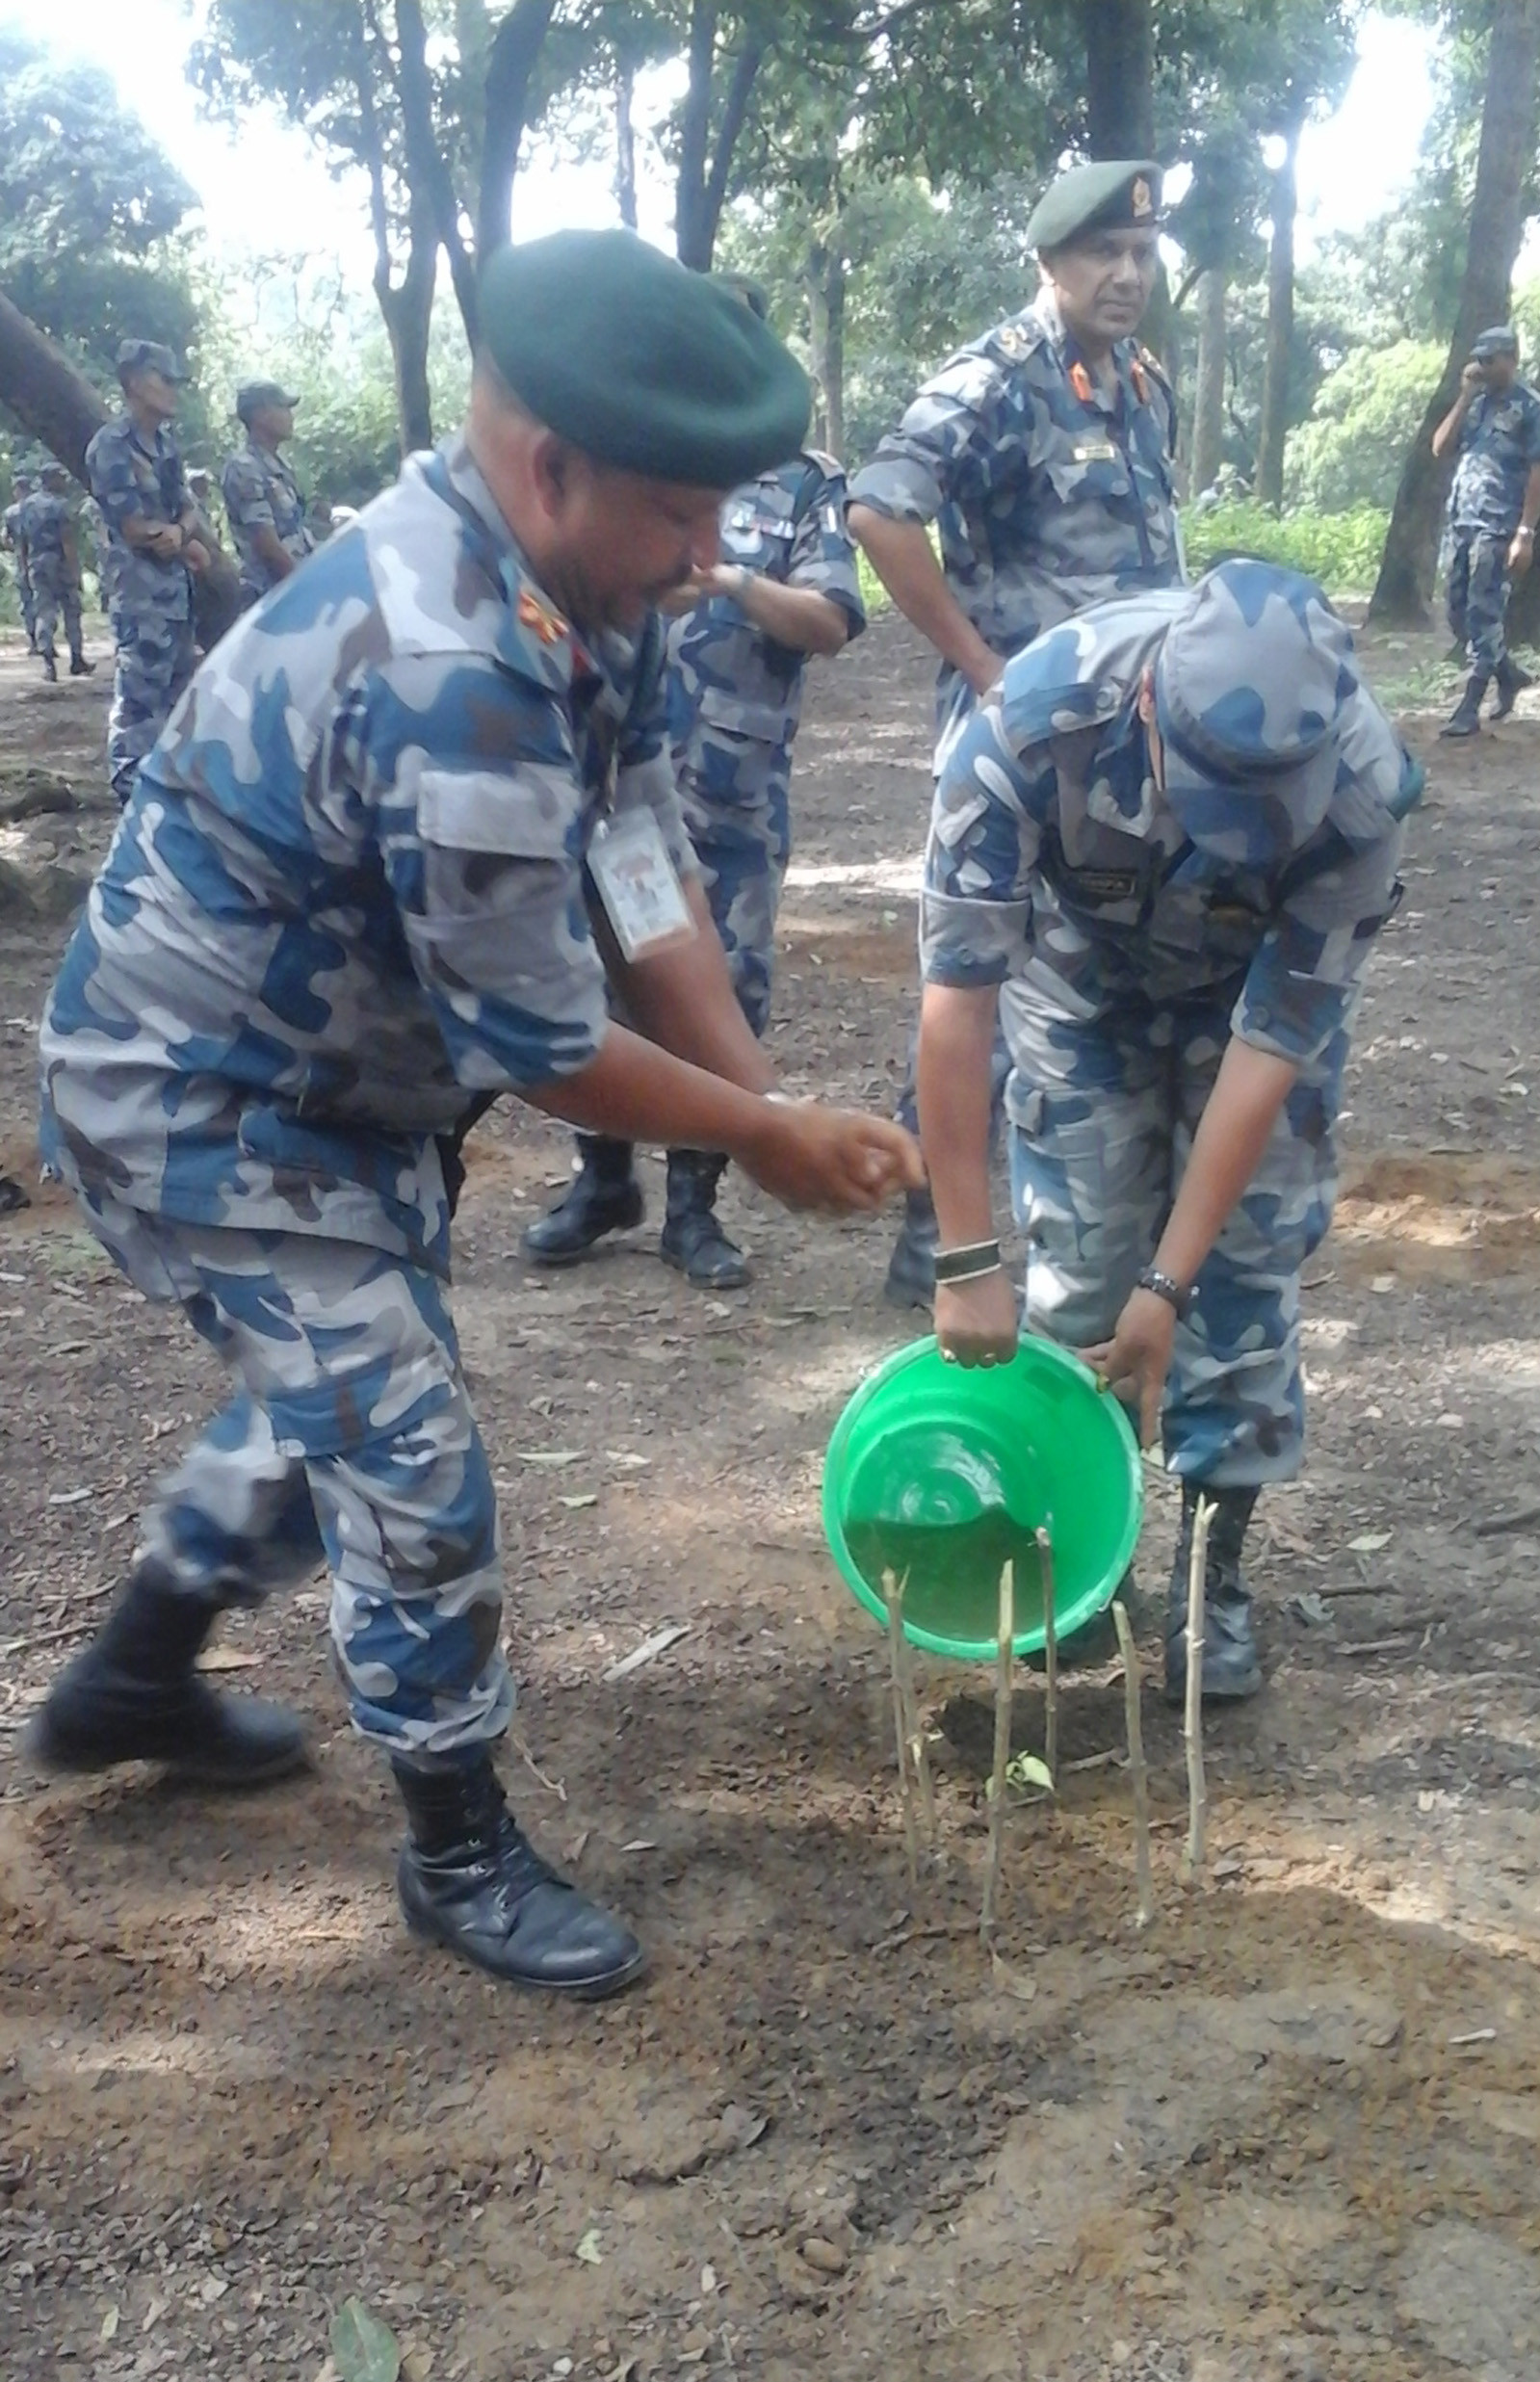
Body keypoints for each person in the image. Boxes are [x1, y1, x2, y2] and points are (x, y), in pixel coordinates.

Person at [33, 228, 922, 2002]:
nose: (712, 560)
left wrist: (760, 1097)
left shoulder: (596, 593)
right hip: (195, 1094)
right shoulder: (460, 662)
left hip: (333, 1091)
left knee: (343, 1389)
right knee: (408, 1446)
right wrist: (757, 1140)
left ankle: (133, 1675)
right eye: (682, 516)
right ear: (547, 465)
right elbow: (538, 1036)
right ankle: (457, 1845)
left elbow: (643, 862)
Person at [915, 560, 1419, 1701]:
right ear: (1147, 711)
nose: (1239, 839)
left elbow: (1271, 1047)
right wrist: (965, 1258)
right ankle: (1074, 1558)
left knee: (1241, 1263)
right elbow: (956, 1014)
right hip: (1080, 979)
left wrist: (1176, 1282)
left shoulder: (1364, 792)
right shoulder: (1022, 734)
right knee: (1084, 1280)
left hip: (1246, 999)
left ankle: (1211, 1576)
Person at [849, 159, 1185, 1307]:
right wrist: (987, 670)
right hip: (1022, 757)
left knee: (1090, 977)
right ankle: (931, 1226)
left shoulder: (1142, 384)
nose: (1128, 273)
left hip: (1131, 754)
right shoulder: (994, 380)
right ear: (1050, 261)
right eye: (1105, 253)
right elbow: (880, 510)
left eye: (1141, 253)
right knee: (979, 979)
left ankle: (1083, 1213)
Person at [524, 278, 866, 1292]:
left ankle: (693, 1206)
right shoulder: (604, 484)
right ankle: (603, 1182)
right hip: (608, 799)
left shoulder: (803, 486)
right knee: (600, 978)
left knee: (720, 983)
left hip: (728, 795)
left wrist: (730, 584)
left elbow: (834, 620)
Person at [85, 338, 217, 799]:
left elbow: (189, 509)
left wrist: (179, 535)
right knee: (140, 703)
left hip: (175, 595)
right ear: (136, 383)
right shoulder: (112, 446)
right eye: (166, 379)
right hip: (140, 596)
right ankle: (132, 798)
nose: (174, 389)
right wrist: (178, 538)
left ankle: (167, 794)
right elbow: (134, 527)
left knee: (177, 697)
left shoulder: (165, 446)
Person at [1432, 324, 1540, 739]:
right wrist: (1464, 396)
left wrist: (1525, 533)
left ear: (1511, 359)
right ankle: (1507, 672)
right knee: (1456, 611)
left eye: (1490, 359)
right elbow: (1440, 446)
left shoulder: (1533, 408)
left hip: (1498, 525)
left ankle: (1469, 705)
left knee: (1484, 610)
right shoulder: (1477, 404)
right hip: (1462, 521)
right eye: (1479, 359)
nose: (1482, 366)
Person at [222, 380, 316, 606]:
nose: (290, 416)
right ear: (260, 415)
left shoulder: (279, 464)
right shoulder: (244, 468)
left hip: (293, 586)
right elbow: (266, 543)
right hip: (274, 596)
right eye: (282, 407)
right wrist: (308, 587)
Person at [19, 463, 94, 681]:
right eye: (60, 478)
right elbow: (67, 541)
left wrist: (25, 567)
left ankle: (49, 664)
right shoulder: (61, 506)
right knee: (71, 609)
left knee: (44, 610)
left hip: (36, 562)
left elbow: (22, 542)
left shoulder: (26, 506)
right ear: (50, 479)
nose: (64, 481)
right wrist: (75, 572)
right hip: (59, 561)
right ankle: (76, 658)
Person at [3, 467, 39, 654]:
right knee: (45, 601)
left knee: (27, 602)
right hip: (45, 559)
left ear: (17, 490)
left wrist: (16, 547)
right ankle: (47, 642)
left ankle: (34, 642)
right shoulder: (39, 507)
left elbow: (4, 540)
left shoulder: (11, 513)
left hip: (21, 561)